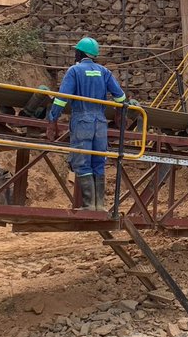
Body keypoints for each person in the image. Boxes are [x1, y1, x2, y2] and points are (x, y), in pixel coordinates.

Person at [45, 37, 127, 212]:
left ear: (79, 53)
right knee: (98, 162)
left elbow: (62, 99)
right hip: (100, 123)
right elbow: (120, 97)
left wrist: (53, 119)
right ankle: (100, 205)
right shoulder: (104, 72)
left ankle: (89, 205)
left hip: (82, 121)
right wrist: (120, 114)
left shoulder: (74, 71)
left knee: (82, 162)